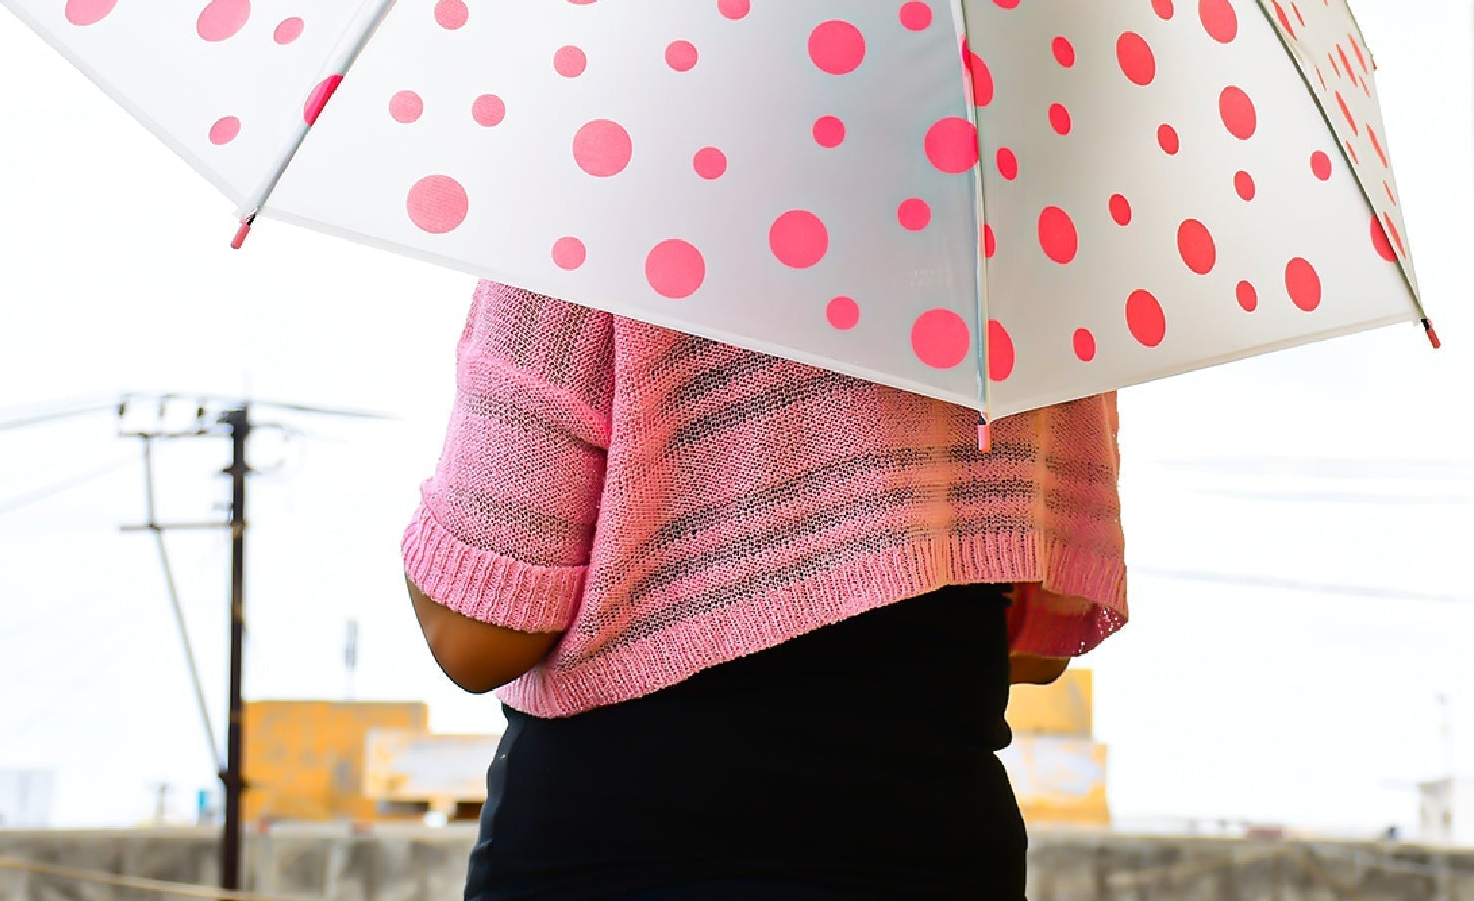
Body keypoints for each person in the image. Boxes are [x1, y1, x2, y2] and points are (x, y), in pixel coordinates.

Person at [404, 280, 1127, 900]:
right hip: (933, 847)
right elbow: (1034, 651)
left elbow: (480, 636)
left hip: (632, 847)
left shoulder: (602, 186)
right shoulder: (1006, 220)